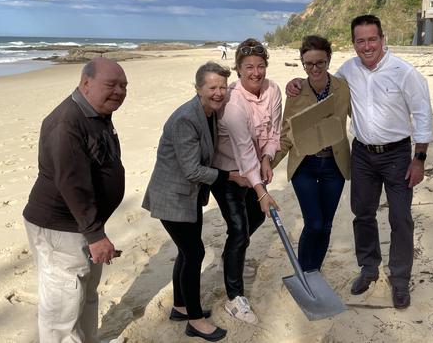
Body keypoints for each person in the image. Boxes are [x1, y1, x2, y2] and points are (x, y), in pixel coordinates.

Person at [286, 15, 433, 309]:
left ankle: (401, 279)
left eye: (372, 39)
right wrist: (299, 82)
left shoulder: (405, 72)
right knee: (362, 214)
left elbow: (423, 115)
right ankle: (368, 268)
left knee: (400, 218)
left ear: (382, 39)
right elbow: (324, 84)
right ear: (353, 43)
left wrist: (419, 159)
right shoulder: (348, 70)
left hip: (397, 154)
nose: (367, 46)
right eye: (360, 41)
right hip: (362, 153)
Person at [22, 57, 128, 343]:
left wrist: (95, 230)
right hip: (61, 228)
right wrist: (95, 235)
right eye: (111, 85)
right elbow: (72, 183)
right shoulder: (66, 122)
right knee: (62, 312)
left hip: (84, 226)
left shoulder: (97, 113)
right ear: (86, 83)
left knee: (86, 297)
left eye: (123, 85)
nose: (119, 91)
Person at [142, 62, 246, 341]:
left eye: (223, 86)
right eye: (212, 87)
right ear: (198, 88)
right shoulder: (186, 118)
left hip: (187, 197)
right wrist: (231, 177)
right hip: (172, 197)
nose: (218, 92)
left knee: (187, 252)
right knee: (195, 253)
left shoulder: (210, 112)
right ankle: (195, 321)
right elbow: (192, 170)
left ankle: (180, 306)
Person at [212, 38, 281, 324]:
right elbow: (241, 149)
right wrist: (262, 191)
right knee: (239, 230)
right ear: (238, 69)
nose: (256, 72)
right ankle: (234, 298)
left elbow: (274, 132)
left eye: (261, 66)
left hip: (253, 167)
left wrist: (267, 157)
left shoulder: (273, 90)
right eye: (249, 67)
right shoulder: (231, 101)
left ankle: (232, 258)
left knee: (257, 218)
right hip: (227, 171)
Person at [271, 35, 351, 272]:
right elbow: (286, 134)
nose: (315, 68)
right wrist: (268, 164)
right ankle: (304, 271)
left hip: (334, 165)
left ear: (329, 60)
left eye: (320, 63)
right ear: (302, 64)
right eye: (309, 64)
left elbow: (363, 117)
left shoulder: (343, 88)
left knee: (326, 225)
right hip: (304, 165)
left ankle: (314, 271)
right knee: (314, 222)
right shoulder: (295, 92)